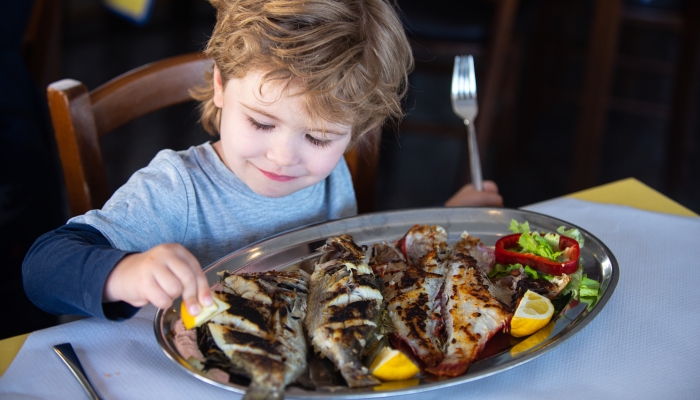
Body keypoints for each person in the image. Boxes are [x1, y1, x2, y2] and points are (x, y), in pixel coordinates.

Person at [22, 0, 502, 322]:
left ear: (358, 129)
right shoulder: (176, 191)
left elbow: (360, 260)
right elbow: (42, 269)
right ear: (220, 86)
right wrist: (122, 272)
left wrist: (446, 217)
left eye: (317, 136)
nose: (283, 156)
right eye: (261, 123)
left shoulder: (331, 173)